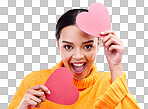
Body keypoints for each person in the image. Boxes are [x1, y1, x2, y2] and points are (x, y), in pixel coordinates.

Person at [8, 9, 140, 109]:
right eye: (68, 47)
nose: (78, 56)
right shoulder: (34, 82)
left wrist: (115, 66)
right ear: (58, 45)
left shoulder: (109, 81)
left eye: (87, 46)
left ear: (98, 44)